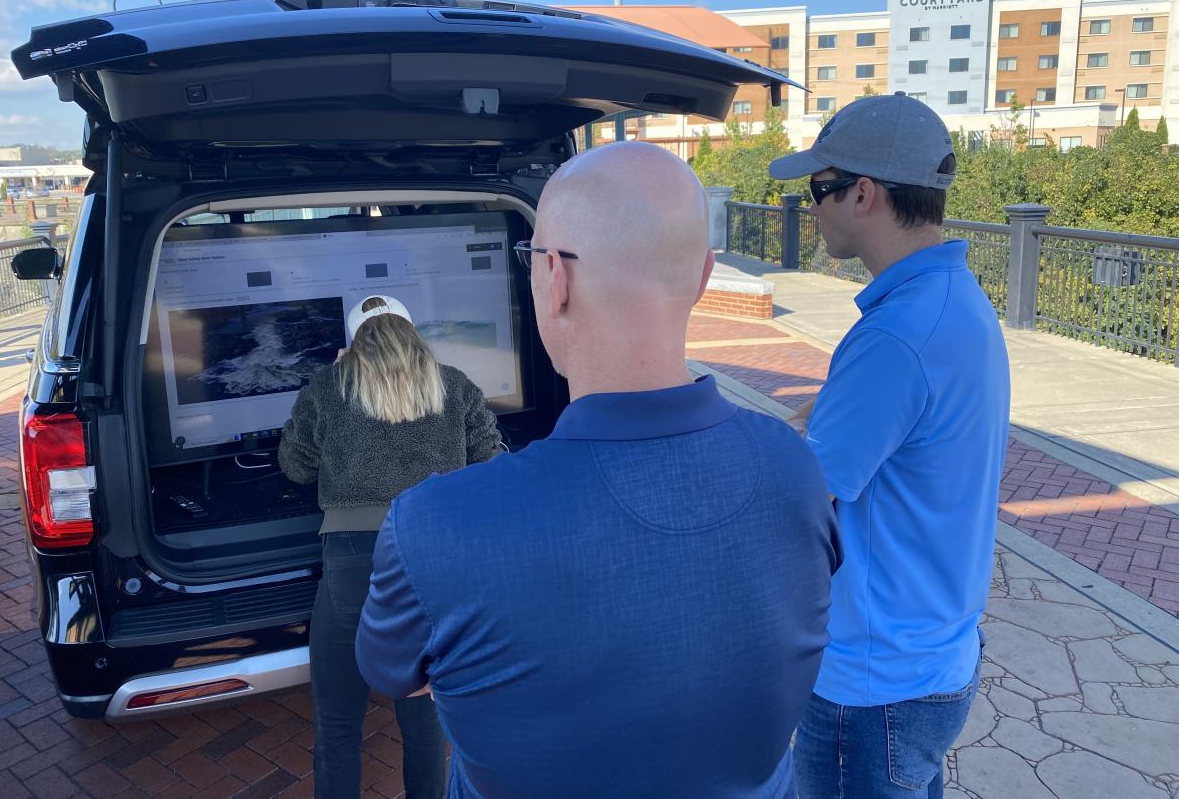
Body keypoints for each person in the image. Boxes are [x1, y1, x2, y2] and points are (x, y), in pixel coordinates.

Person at [354, 141, 841, 798]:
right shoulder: (796, 469)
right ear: (701, 277)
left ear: (556, 277)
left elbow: (394, 674)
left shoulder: (434, 524)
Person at [769, 93, 1011, 799]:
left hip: (873, 687)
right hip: (934, 655)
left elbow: (802, 492)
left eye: (819, 188)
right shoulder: (955, 299)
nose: (810, 206)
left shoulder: (894, 337)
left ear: (864, 194)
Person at [279, 294, 502, 799]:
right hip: (436, 555)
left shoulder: (328, 387)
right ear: (412, 334)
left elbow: (295, 465)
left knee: (337, 724)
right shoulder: (455, 385)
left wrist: (334, 382)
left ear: (354, 344)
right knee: (424, 724)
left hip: (353, 560)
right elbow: (489, 460)